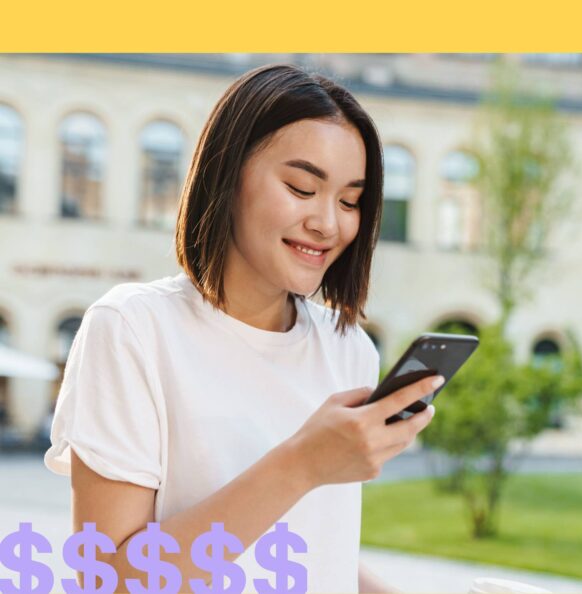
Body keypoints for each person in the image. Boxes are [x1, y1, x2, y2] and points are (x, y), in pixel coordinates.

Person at [43, 64, 442, 594]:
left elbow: (313, 549)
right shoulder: (133, 330)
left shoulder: (348, 351)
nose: (329, 222)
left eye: (350, 201)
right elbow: (107, 580)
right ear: (227, 175)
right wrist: (300, 465)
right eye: (302, 188)